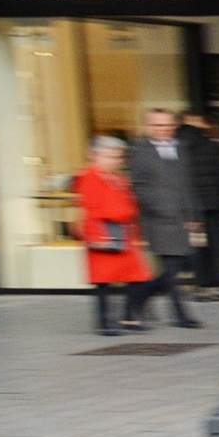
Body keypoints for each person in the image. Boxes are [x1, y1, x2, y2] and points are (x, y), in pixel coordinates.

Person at [124, 109, 202, 329]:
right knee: (171, 269)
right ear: (148, 126)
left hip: (182, 219)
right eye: (158, 126)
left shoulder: (180, 148)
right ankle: (179, 314)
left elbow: (188, 183)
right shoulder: (140, 151)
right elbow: (138, 186)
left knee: (175, 269)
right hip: (158, 219)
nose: (164, 130)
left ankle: (137, 300)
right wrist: (159, 207)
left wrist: (193, 213)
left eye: (168, 126)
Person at [72, 137, 151, 337]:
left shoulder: (118, 178)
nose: (116, 161)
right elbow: (89, 210)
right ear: (95, 156)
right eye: (111, 156)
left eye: (118, 157)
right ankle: (104, 322)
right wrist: (94, 236)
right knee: (103, 283)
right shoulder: (89, 177)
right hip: (104, 233)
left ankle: (128, 317)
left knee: (137, 277)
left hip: (122, 234)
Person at [179, 112, 219, 300]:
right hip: (213, 205)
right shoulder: (213, 145)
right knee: (217, 245)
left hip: (190, 207)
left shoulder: (177, 146)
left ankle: (203, 284)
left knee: (198, 246)